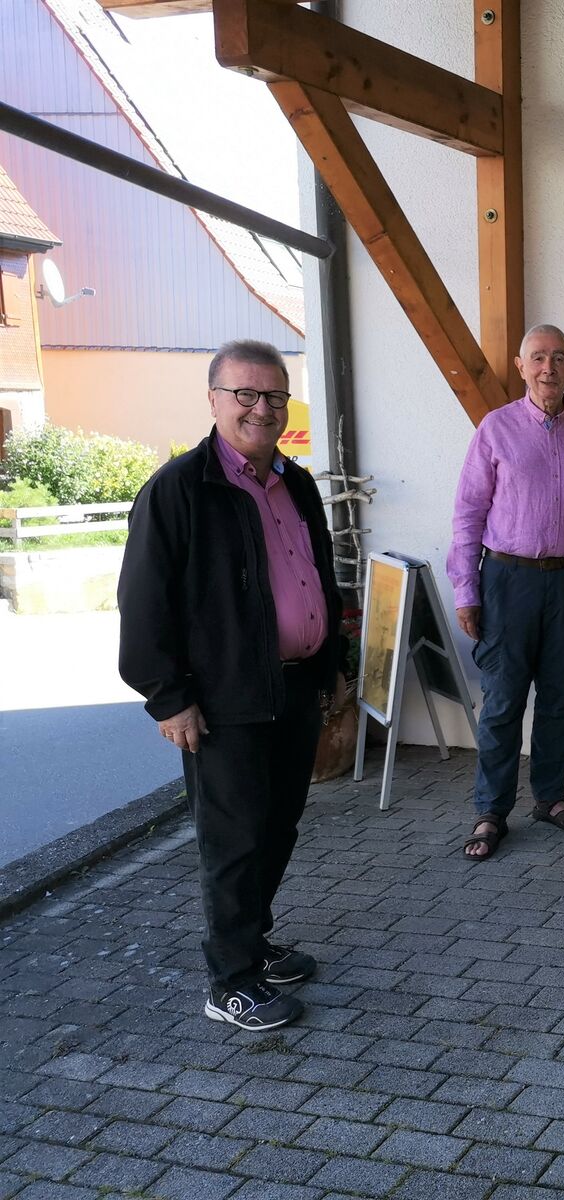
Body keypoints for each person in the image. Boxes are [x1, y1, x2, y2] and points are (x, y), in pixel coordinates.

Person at [119, 339, 342, 1031]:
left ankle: (254, 942)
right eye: (244, 394)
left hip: (295, 688)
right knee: (234, 839)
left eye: (274, 395)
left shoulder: (296, 483)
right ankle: (231, 983)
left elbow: (318, 574)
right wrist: (169, 698)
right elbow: (144, 604)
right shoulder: (180, 489)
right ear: (214, 399)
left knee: (277, 827)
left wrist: (331, 664)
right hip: (224, 700)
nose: (260, 408)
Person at [447, 324, 564, 860]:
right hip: (508, 581)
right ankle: (490, 811)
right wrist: (466, 589)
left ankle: (550, 797)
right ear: (521, 367)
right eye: (539, 357)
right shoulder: (495, 429)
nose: (550, 367)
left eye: (560, 357)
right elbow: (468, 513)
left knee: (558, 698)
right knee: (502, 702)